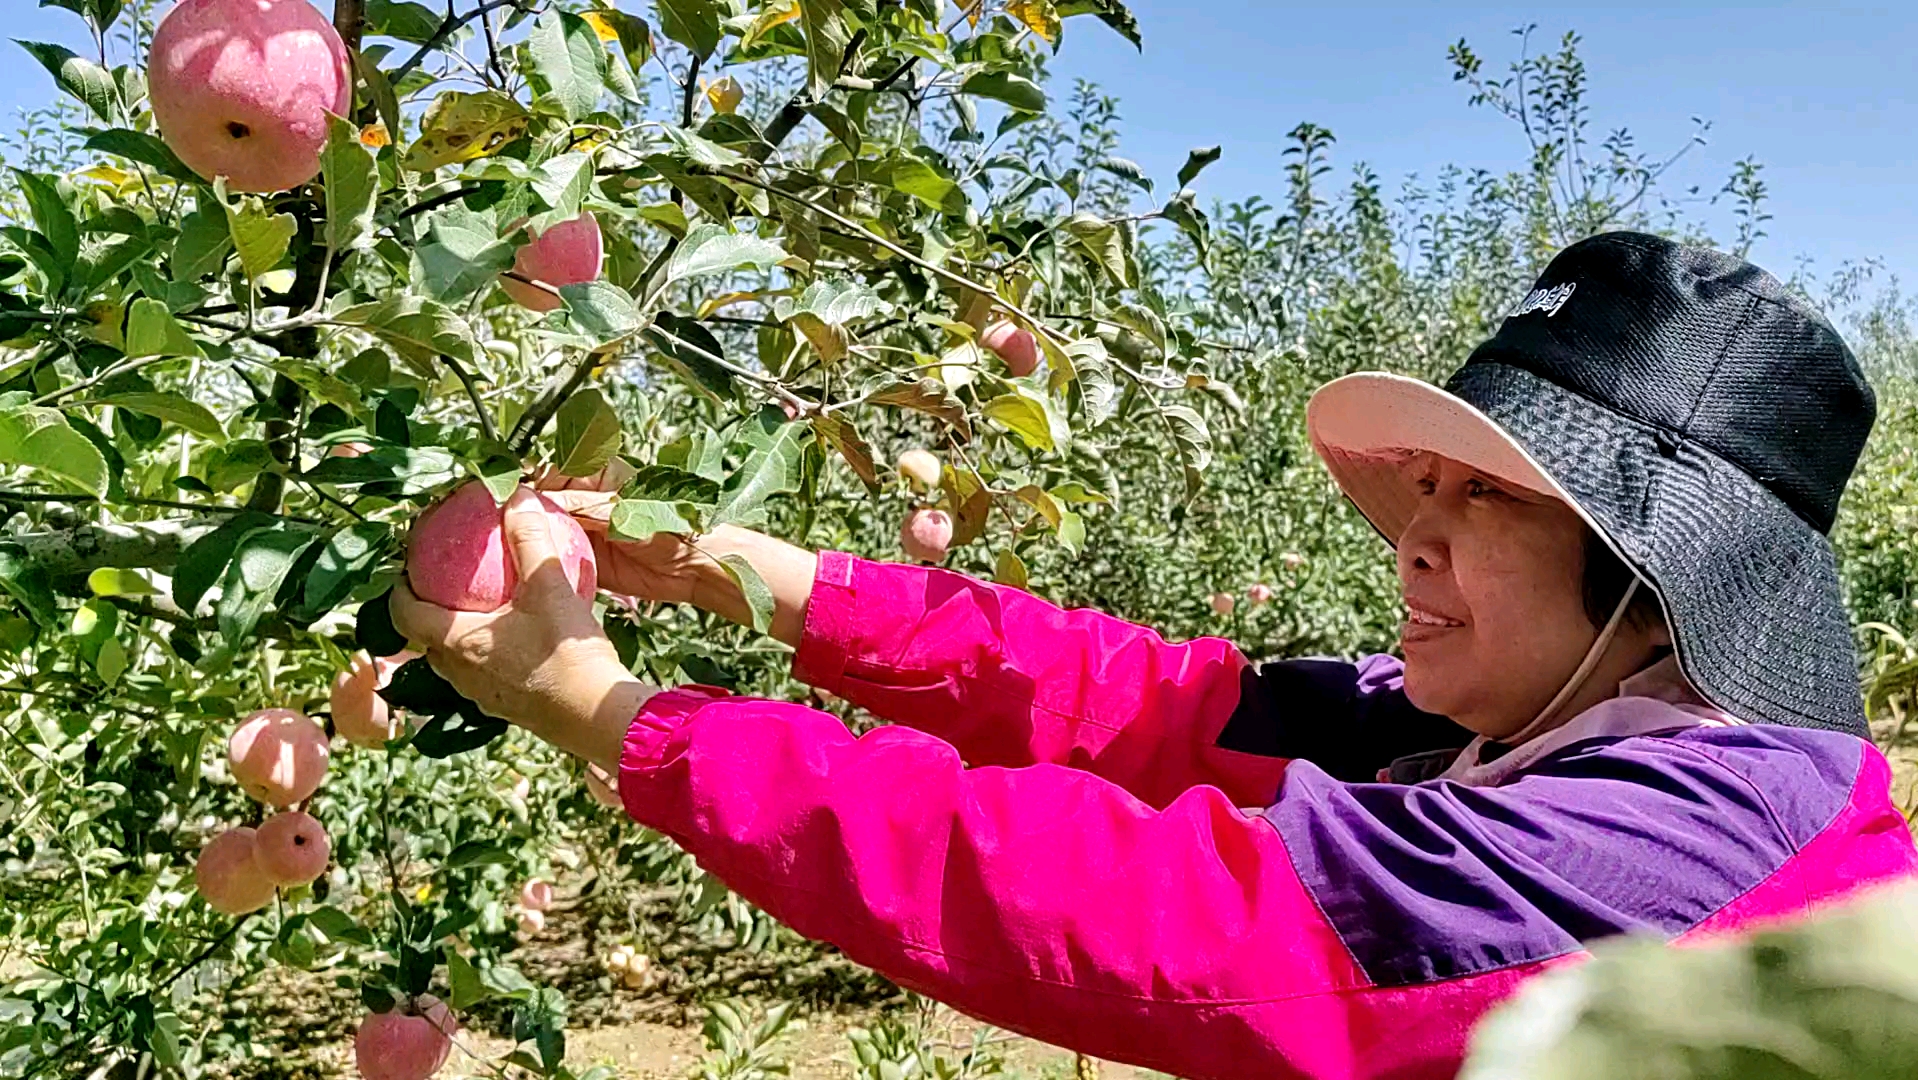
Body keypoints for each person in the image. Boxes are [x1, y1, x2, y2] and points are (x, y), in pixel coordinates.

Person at [392, 232, 1918, 1080]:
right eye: (1419, 488)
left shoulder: (1657, 854)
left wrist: (609, 712)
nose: (1413, 539)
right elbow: (1145, 695)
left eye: (1488, 499)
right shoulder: (1516, 728)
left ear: (1658, 581)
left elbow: (1154, 912)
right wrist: (758, 578)